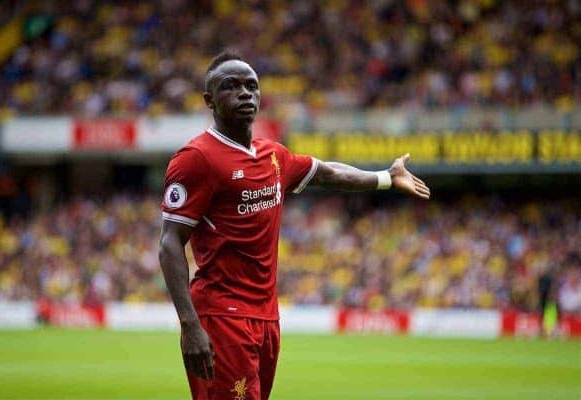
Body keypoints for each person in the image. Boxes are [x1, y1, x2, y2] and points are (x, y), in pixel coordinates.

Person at [158, 51, 430, 400]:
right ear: (209, 100)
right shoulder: (197, 159)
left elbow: (330, 173)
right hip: (221, 315)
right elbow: (169, 243)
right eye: (231, 86)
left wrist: (386, 178)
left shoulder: (273, 155)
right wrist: (189, 324)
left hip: (266, 317)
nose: (245, 93)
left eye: (251, 86)